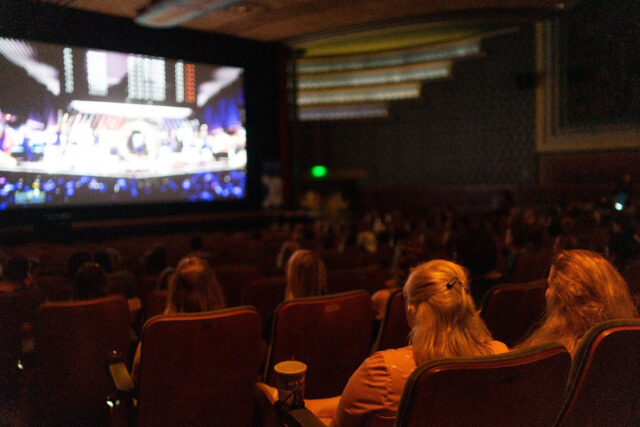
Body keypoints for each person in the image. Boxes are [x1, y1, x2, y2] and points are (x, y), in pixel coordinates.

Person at [307, 260, 508, 426]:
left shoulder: (382, 373)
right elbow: (354, 400)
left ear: (412, 311)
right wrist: (307, 404)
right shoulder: (500, 355)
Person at [517, 249, 638, 356]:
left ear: (564, 297)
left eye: (550, 285)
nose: (546, 293)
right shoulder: (628, 348)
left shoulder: (550, 356)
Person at [131, 257, 225, 384]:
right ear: (214, 291)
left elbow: (137, 381)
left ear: (173, 292)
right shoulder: (236, 326)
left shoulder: (155, 332)